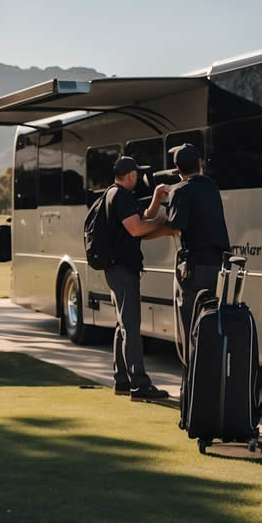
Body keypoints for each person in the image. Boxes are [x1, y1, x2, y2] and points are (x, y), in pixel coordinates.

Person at [104, 156, 170, 401]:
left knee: (123, 325)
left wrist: (155, 202)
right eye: (137, 174)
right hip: (123, 269)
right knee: (131, 327)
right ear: (131, 175)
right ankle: (139, 386)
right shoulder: (121, 196)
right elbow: (137, 229)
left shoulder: (112, 194)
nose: (138, 177)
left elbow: (139, 220)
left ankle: (122, 381)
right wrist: (163, 220)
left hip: (114, 269)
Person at [146, 143, 231, 330]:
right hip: (218, 265)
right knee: (212, 319)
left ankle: (193, 358)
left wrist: (143, 235)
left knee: (192, 323)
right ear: (200, 162)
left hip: (197, 268)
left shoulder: (180, 190)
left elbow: (174, 229)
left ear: (177, 168)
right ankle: (211, 358)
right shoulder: (211, 185)